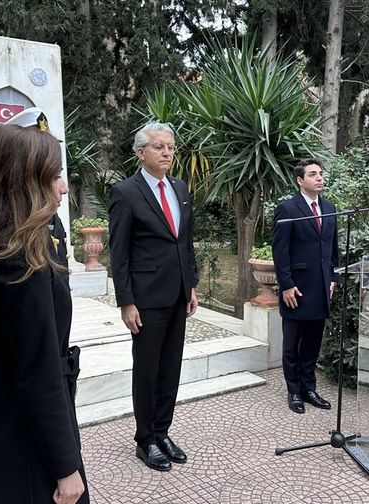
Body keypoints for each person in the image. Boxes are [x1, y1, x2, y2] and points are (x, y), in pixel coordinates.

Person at [0, 108, 89, 504]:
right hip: (23, 435)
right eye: (54, 175)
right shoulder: (20, 259)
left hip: (9, 421)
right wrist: (65, 467)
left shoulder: (1, 240)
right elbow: (36, 369)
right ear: (24, 181)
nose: (63, 188)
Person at [108, 122, 199, 472]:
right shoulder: (125, 192)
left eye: (171, 147)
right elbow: (119, 253)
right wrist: (126, 302)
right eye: (159, 147)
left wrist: (190, 285)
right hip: (145, 298)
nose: (167, 153)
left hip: (177, 294)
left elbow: (185, 241)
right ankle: (145, 438)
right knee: (147, 369)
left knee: (170, 367)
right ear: (140, 152)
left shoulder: (179, 186)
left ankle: (162, 431)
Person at [272, 159, 340, 414]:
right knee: (293, 343)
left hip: (321, 287)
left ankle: (309, 388)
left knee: (313, 342)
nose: (319, 178)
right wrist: (287, 285)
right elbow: (280, 250)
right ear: (300, 180)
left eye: (320, 173)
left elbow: (332, 250)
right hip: (297, 289)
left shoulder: (330, 208)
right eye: (313, 174)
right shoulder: (287, 209)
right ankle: (294, 391)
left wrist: (332, 278)